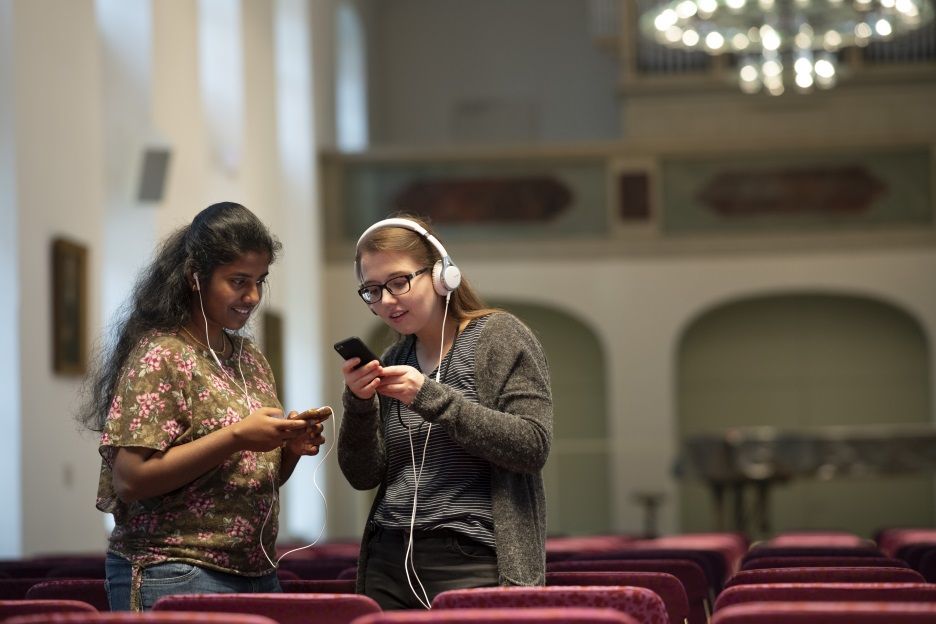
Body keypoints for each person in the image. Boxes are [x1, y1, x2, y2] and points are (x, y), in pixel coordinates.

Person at [79, 202, 330, 611]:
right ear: (196, 277)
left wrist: (289, 452)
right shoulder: (162, 355)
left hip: (256, 571)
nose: (252, 296)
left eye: (260, 281)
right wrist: (234, 437)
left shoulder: (248, 357)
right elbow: (131, 480)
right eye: (238, 281)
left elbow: (239, 482)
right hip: (176, 570)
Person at [337, 215, 553, 610]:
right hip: (388, 554)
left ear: (442, 275)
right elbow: (363, 474)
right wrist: (359, 404)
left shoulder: (498, 337)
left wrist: (430, 396)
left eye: (398, 282)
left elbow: (532, 445)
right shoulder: (394, 358)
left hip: (473, 554)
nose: (386, 300)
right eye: (371, 290)